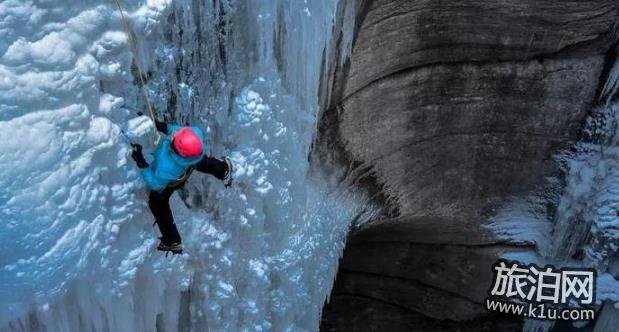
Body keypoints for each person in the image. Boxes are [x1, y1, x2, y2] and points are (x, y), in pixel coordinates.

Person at [130, 119, 232, 254]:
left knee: (157, 202)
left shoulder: (167, 167)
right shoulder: (194, 136)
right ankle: (223, 169)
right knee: (199, 160)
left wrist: (141, 163)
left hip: (175, 177)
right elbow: (177, 131)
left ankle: (172, 240)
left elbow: (155, 183)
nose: (173, 135)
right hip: (190, 160)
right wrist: (163, 126)